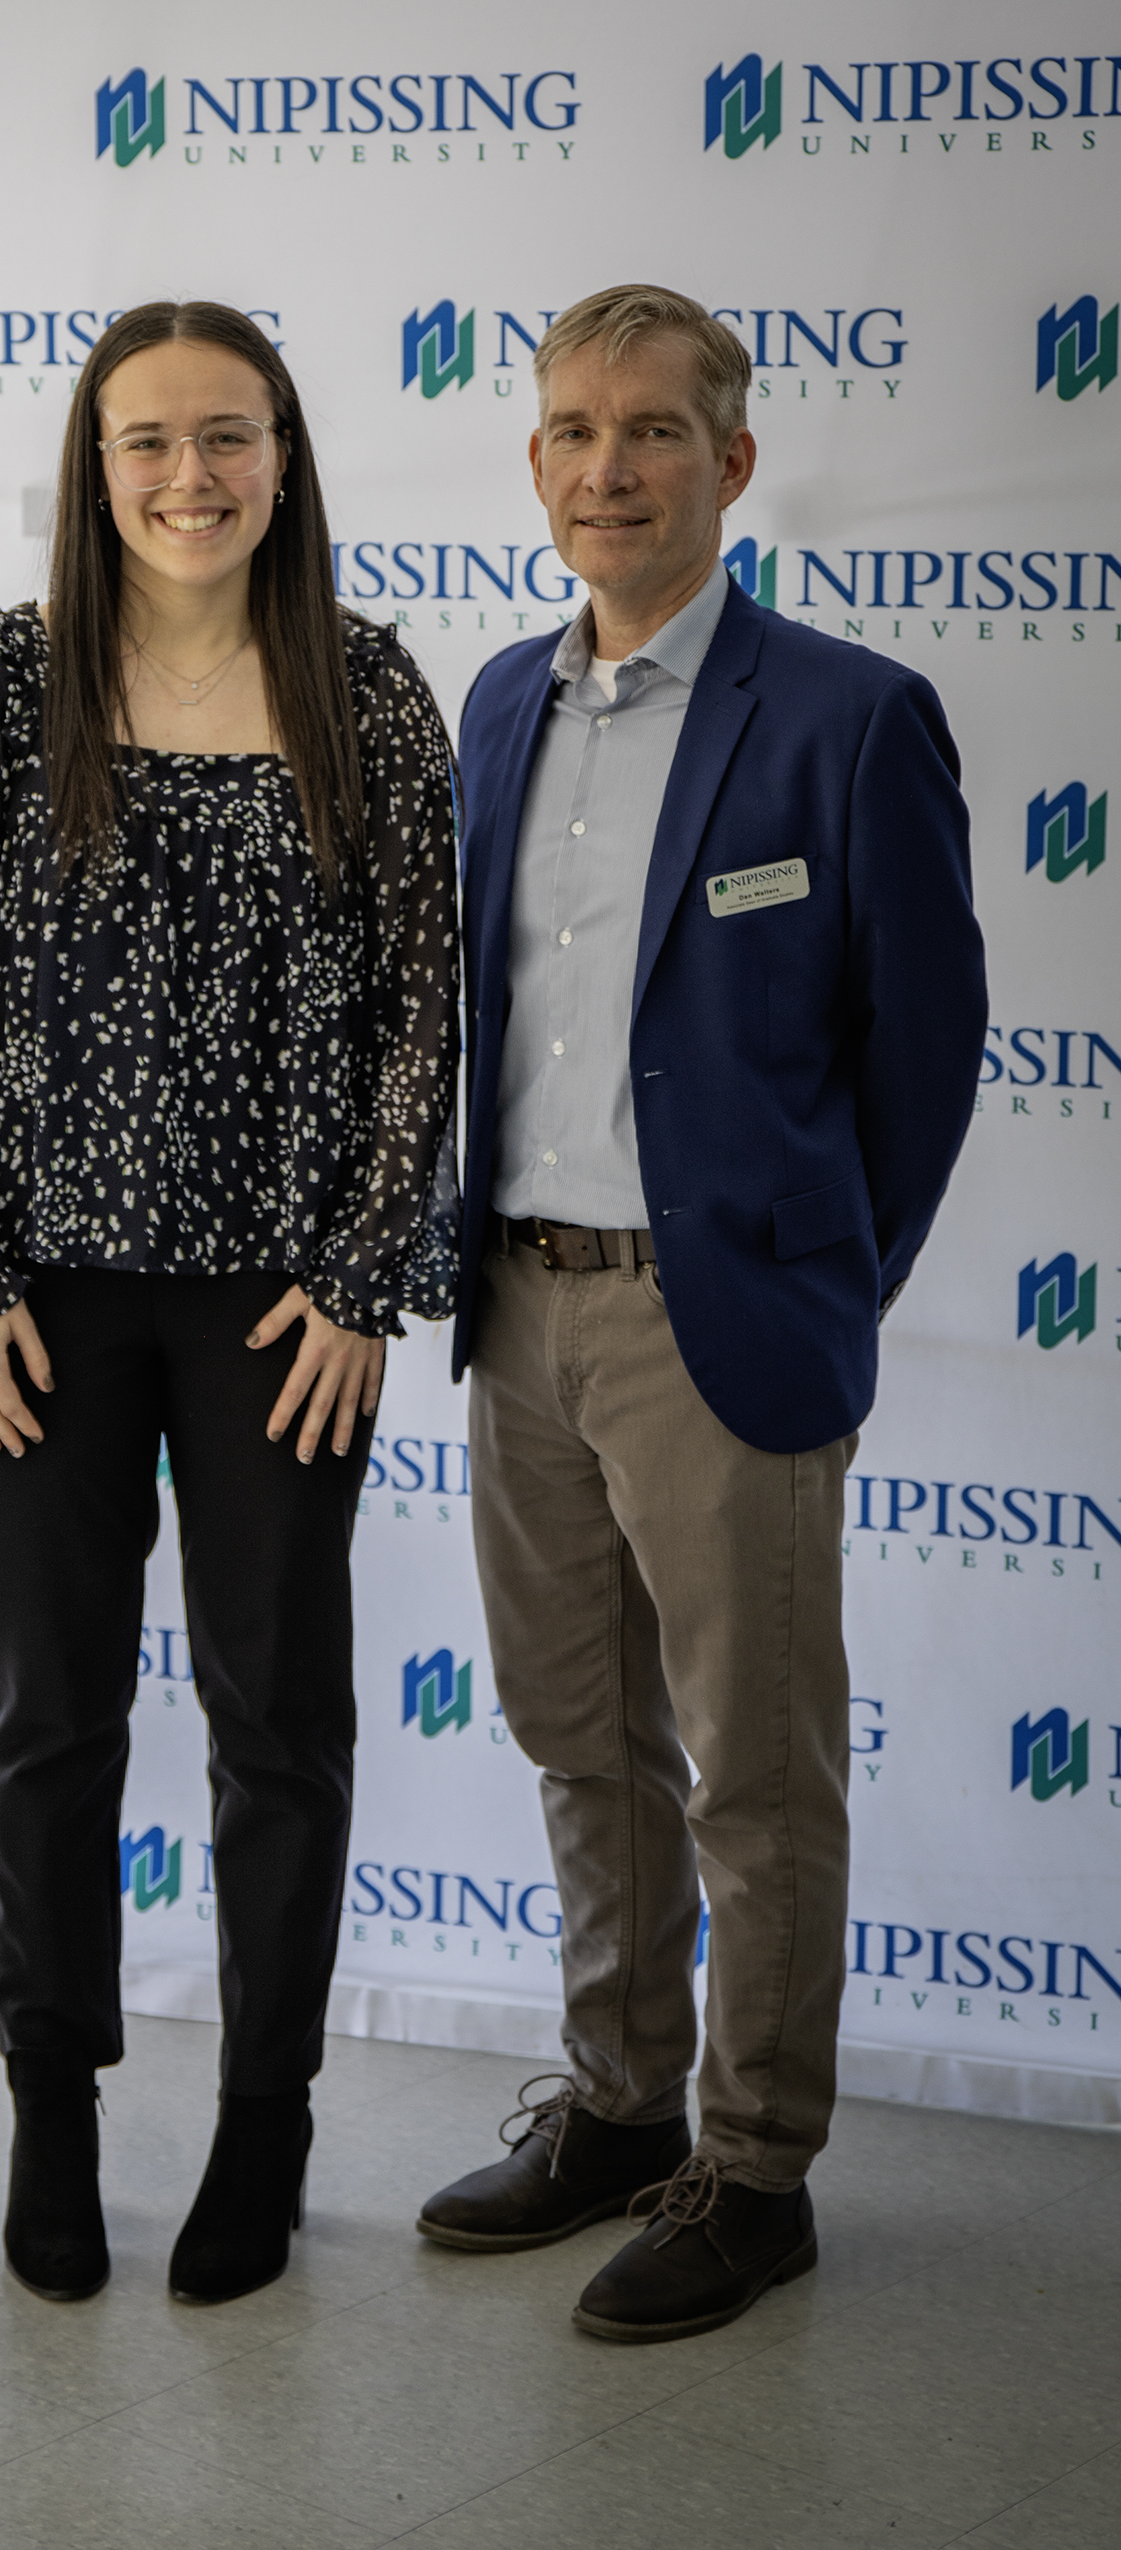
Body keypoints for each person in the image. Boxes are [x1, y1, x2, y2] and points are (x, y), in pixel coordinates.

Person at [0, 301, 460, 2308]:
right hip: (36, 1300)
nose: (188, 480)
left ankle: (264, 2134)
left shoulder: (366, 693)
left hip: (284, 1314)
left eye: (228, 437)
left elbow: (421, 1020)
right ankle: (53, 2113)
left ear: (285, 455)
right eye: (146, 444)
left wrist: (369, 1272)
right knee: (49, 1719)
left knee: (275, 1724)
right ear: (88, 467)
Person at [417, 286, 986, 2343]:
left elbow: (921, 1054)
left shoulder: (844, 716)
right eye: (571, 430)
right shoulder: (498, 703)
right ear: (536, 461)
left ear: (730, 462)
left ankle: (753, 2172)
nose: (606, 468)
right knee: (581, 1738)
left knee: (753, 1774)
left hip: (714, 1327)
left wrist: (823, 1284)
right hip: (518, 1309)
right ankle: (618, 2102)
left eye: (652, 431)